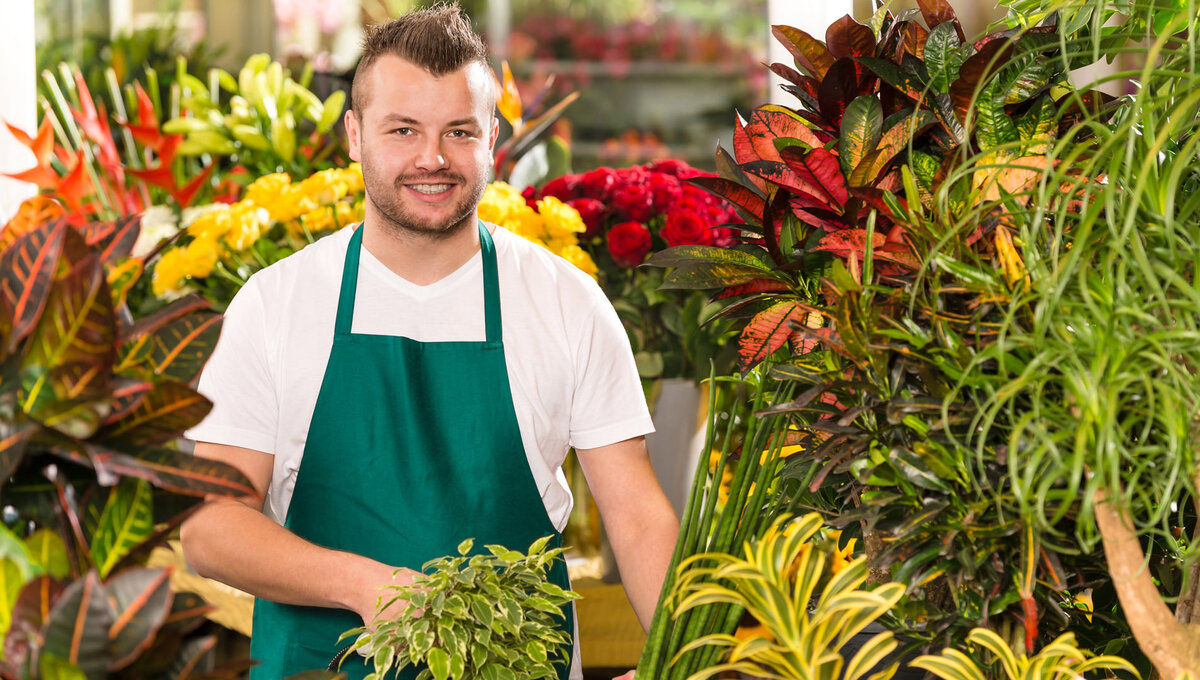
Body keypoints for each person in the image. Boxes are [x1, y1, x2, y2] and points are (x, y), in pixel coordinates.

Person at [179, 4, 678, 679]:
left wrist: (679, 665)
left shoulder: (566, 303)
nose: (432, 158)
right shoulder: (277, 304)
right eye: (403, 129)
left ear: (493, 138)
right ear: (354, 134)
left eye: (459, 131)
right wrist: (363, 586)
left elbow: (639, 518)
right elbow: (211, 526)